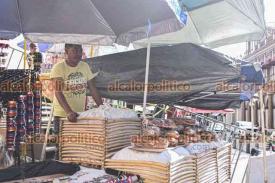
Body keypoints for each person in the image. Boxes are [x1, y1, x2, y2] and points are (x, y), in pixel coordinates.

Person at [50, 44, 103, 159]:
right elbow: (58, 92)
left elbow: (93, 88)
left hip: (80, 115)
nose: (78, 54)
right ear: (66, 51)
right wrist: (68, 112)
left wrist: (103, 108)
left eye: (80, 51)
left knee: (77, 148)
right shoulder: (58, 68)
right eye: (74, 51)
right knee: (62, 148)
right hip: (63, 115)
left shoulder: (85, 66)